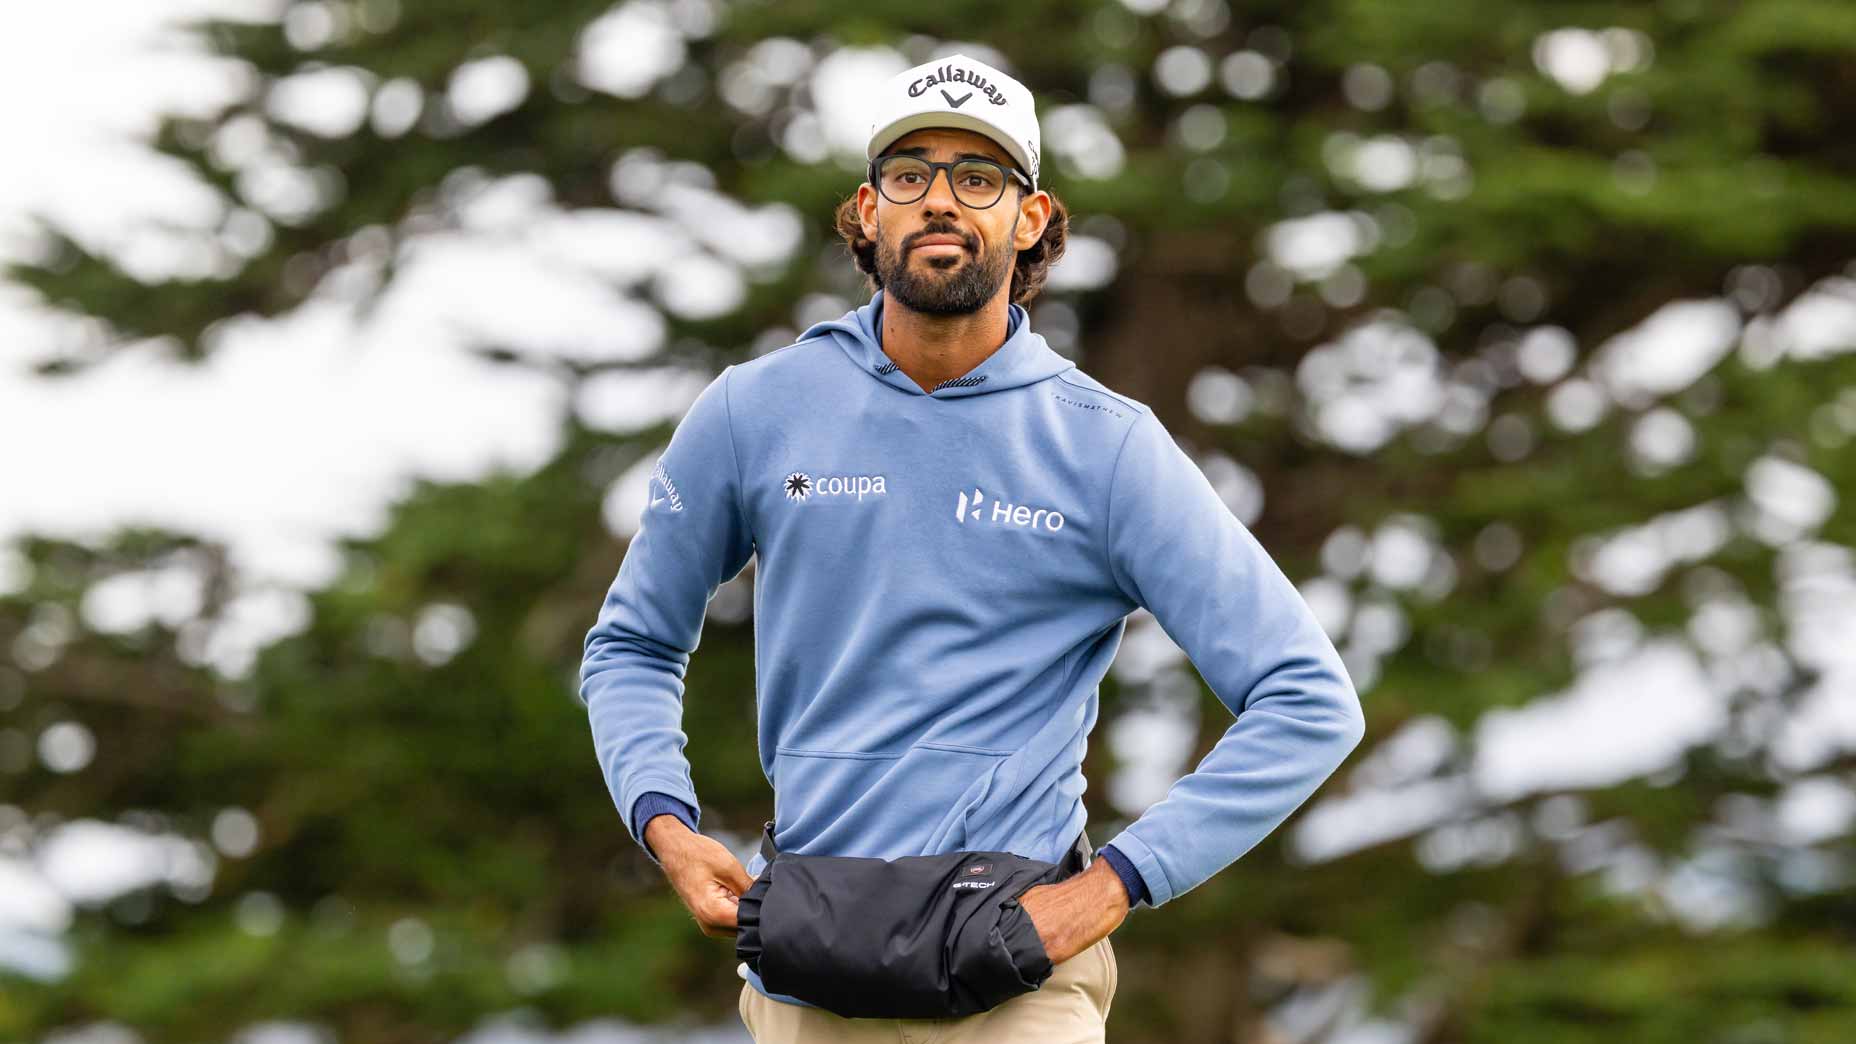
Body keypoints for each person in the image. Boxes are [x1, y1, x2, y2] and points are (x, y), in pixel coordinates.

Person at [579, 51, 1366, 1042]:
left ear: (1028, 220)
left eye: (977, 177)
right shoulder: (753, 411)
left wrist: (1108, 891)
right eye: (910, 174)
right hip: (805, 978)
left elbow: (1306, 700)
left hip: (1018, 984)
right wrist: (669, 829)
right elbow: (634, 645)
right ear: (867, 211)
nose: (939, 201)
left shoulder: (1104, 444)